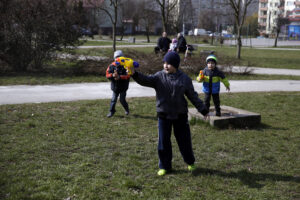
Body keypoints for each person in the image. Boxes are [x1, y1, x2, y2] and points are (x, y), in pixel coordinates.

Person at [131, 51, 209, 176]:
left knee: (184, 141)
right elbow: (146, 80)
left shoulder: (184, 79)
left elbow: (193, 96)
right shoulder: (159, 77)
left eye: (169, 63)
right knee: (163, 142)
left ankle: (190, 162)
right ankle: (165, 166)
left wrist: (203, 109)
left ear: (176, 65)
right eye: (165, 63)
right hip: (164, 115)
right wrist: (134, 74)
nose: (166, 65)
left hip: (180, 115)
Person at [106, 50, 130, 118]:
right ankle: (111, 111)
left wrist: (120, 77)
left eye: (120, 57)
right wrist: (112, 75)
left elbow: (128, 75)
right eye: (116, 57)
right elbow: (107, 74)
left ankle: (126, 109)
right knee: (113, 100)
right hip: (115, 87)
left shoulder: (126, 66)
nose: (118, 59)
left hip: (123, 87)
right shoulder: (111, 66)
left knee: (122, 100)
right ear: (114, 58)